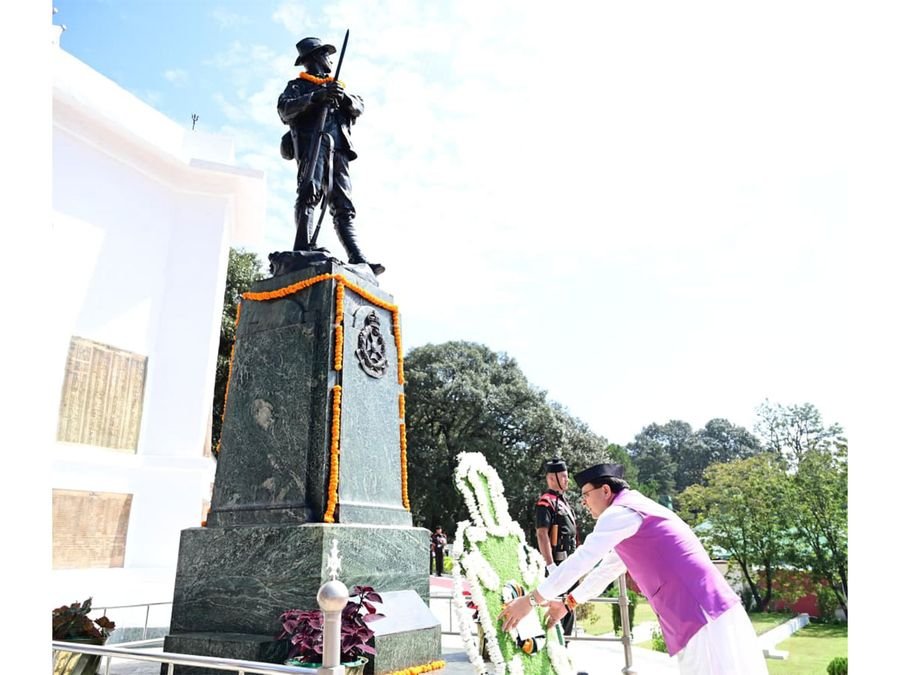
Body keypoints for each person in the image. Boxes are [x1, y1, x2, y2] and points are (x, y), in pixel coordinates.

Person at [500, 463, 768, 675]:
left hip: (700, 615)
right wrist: (568, 603)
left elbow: (584, 558)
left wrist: (531, 600)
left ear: (605, 491)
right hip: (703, 613)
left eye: (586, 495)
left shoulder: (620, 513)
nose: (584, 502)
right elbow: (607, 569)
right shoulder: (634, 512)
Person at [277, 37, 384, 275]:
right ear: (315, 58)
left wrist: (341, 97)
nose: (330, 60)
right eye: (326, 54)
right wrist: (317, 97)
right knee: (309, 191)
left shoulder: (338, 87)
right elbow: (285, 109)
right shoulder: (298, 86)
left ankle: (358, 257)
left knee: (342, 202)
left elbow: (359, 106)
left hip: (339, 149)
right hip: (313, 144)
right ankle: (303, 246)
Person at [534, 457, 578, 636]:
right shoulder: (546, 502)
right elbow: (542, 534)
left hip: (570, 562)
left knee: (569, 605)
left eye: (567, 476)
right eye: (564, 476)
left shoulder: (563, 502)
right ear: (552, 478)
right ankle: (558, 644)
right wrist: (550, 564)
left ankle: (565, 643)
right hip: (557, 564)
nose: (567, 480)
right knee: (557, 605)